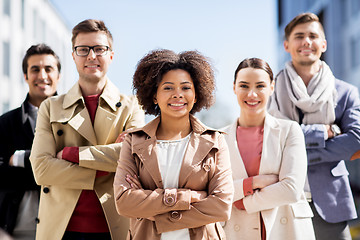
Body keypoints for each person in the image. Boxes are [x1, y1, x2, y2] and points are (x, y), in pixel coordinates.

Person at [30, 19, 145, 240]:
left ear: (111, 55)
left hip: (115, 227)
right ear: (73, 56)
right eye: (83, 50)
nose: (91, 56)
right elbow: (41, 169)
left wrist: (71, 155)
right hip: (61, 229)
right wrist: (106, 168)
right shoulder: (51, 107)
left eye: (99, 49)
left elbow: (134, 159)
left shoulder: (132, 106)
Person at [113, 49, 234, 240]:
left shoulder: (215, 141)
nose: (178, 94)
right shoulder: (133, 141)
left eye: (186, 88)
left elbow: (221, 206)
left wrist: (151, 205)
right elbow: (124, 202)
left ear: (196, 95)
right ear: (154, 95)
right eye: (168, 88)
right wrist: (190, 197)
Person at [268, 12, 360, 240]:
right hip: (282, 199)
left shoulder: (346, 92)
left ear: (323, 44)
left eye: (313, 35)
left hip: (331, 202)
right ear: (287, 44)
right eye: (299, 36)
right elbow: (269, 138)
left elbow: (356, 140)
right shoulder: (270, 90)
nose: (306, 41)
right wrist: (324, 132)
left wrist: (296, 149)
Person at [222, 58, 315, 240]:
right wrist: (253, 183)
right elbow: (216, 191)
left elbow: (291, 189)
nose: (252, 94)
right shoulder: (218, 138)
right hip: (237, 231)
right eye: (244, 86)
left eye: (260, 86)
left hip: (287, 230)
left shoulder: (290, 130)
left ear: (271, 87)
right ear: (234, 88)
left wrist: (244, 202)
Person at [0, 43, 61, 240]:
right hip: (16, 230)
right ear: (26, 76)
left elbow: (79, 167)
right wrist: (52, 164)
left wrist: (20, 158)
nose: (42, 75)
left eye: (48, 69)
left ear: (58, 76)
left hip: (63, 229)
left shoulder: (77, 121)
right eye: (35, 69)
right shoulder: (6, 122)